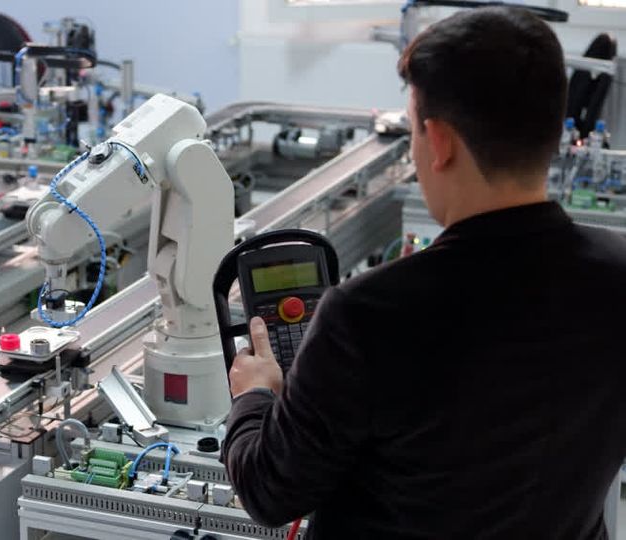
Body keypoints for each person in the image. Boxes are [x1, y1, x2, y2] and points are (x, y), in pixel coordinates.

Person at [221, 6, 626, 539]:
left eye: (412, 129)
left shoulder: (369, 315)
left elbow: (270, 493)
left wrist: (255, 398)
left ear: (439, 142)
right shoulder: (617, 276)